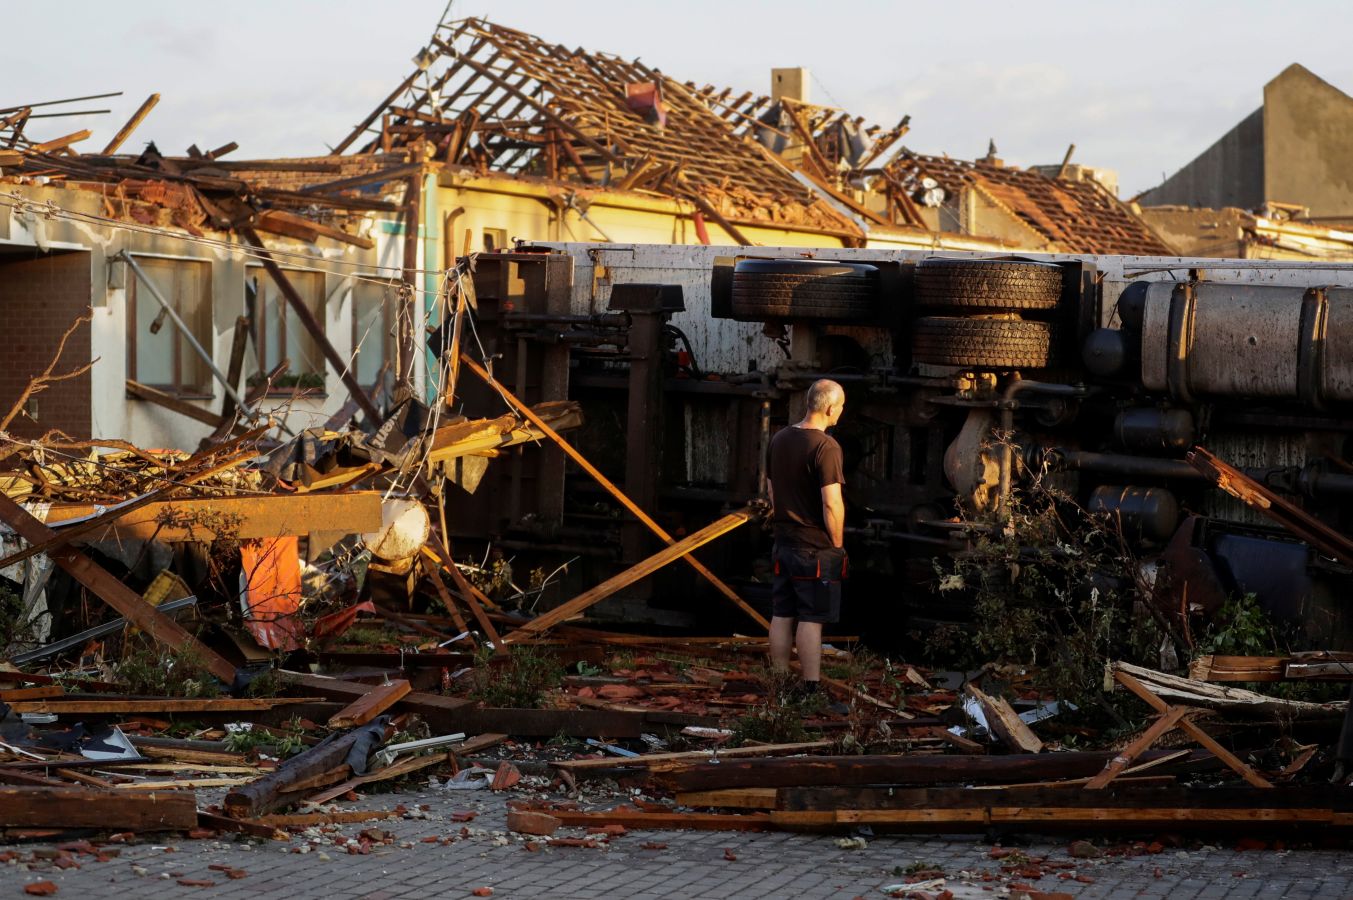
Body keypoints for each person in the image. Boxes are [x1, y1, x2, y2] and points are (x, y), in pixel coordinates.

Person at [766, 379, 847, 699]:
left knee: (782, 612)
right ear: (829, 408)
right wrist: (837, 545)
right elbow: (832, 503)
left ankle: (780, 680)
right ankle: (811, 687)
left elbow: (771, 490)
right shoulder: (826, 447)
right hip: (813, 547)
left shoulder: (780, 438)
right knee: (812, 617)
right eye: (840, 407)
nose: (841, 412)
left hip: (782, 541)